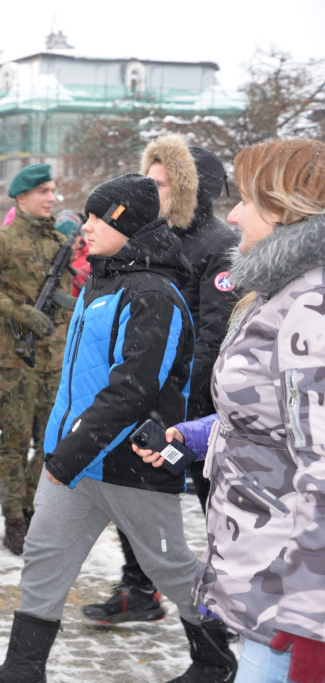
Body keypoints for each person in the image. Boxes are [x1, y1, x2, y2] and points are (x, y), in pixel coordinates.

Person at [0, 173, 237, 683]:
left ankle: (215, 662)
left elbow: (134, 389)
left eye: (93, 218)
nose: (83, 227)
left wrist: (65, 456)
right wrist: (65, 452)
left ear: (122, 222)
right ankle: (22, 669)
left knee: (168, 566)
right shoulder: (103, 283)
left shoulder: (155, 293)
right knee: (44, 556)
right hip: (78, 460)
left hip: (130, 462)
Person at [135, 138, 325, 683]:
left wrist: (312, 621)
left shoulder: (310, 306)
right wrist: (196, 436)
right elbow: (279, 417)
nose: (234, 213)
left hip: (289, 603)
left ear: (288, 209)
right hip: (266, 578)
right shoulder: (278, 292)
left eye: (247, 199)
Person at [82, 135, 241, 626]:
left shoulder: (219, 244)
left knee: (216, 507)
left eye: (161, 182)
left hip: (195, 406)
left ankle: (226, 610)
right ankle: (139, 589)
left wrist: (176, 404)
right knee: (140, 495)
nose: (148, 189)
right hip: (146, 395)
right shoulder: (145, 237)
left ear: (191, 188)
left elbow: (214, 334)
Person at [0, 163, 73, 554]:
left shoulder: (57, 241)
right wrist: (18, 311)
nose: (51, 198)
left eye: (52, 190)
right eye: (43, 191)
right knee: (14, 441)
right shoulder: (2, 241)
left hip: (53, 359)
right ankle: (13, 516)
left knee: (48, 443)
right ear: (21, 197)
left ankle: (31, 509)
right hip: (14, 360)